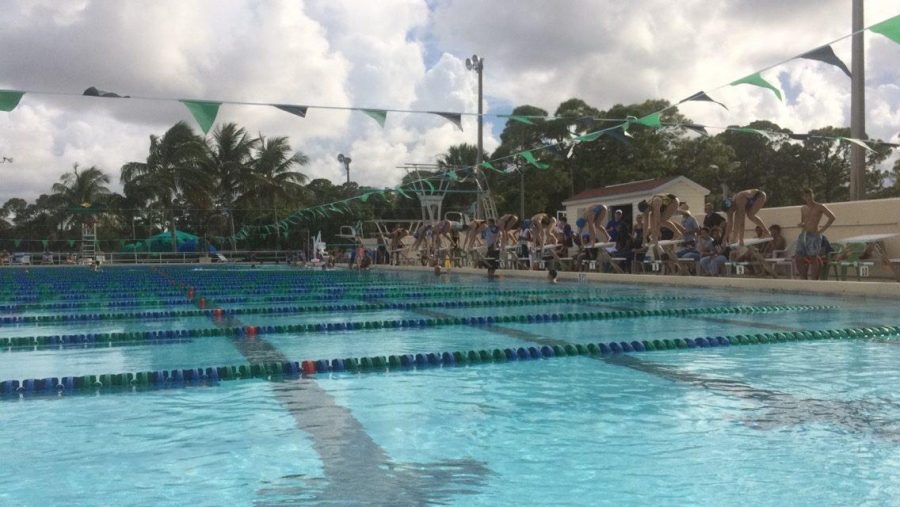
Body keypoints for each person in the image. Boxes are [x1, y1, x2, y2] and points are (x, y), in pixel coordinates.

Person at [795, 188, 836, 280]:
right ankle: (804, 279)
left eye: (809, 195)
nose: (808, 198)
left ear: (812, 195)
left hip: (814, 234)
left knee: (813, 257)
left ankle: (814, 280)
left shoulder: (820, 206)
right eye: (805, 196)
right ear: (803, 197)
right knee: (798, 257)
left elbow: (832, 217)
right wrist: (801, 224)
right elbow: (803, 221)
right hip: (804, 234)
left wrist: (822, 230)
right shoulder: (803, 208)